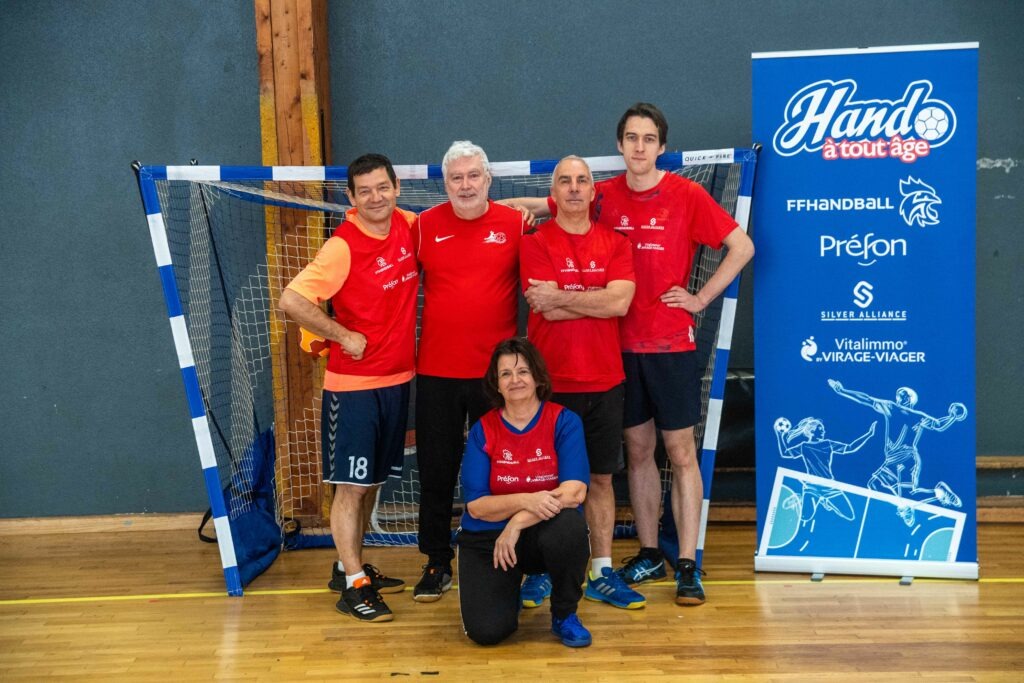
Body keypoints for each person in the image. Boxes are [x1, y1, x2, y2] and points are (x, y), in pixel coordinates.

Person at [503, 103, 755, 605]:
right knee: (638, 454)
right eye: (632, 138)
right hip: (617, 353)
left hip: (669, 345)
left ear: (662, 147)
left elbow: (742, 247)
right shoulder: (603, 196)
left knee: (680, 453)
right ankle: (648, 552)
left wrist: (700, 299)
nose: (640, 147)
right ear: (620, 145)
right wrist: (511, 208)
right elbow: (556, 204)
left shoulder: (687, 194)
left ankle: (688, 563)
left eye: (649, 138)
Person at [278, 153, 416, 623]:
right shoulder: (343, 246)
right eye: (365, 191)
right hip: (354, 388)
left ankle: (347, 568)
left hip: (397, 382)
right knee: (351, 488)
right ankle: (354, 586)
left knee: (371, 482)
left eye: (383, 187)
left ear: (396, 188)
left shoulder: (408, 225)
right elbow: (291, 299)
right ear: (351, 198)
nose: (376, 197)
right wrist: (342, 335)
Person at [518, 156, 642, 610]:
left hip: (605, 379)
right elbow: (544, 308)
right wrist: (595, 298)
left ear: (593, 191)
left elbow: (620, 305)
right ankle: (539, 570)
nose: (573, 188)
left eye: (582, 181)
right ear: (553, 193)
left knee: (600, 479)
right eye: (564, 181)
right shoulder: (534, 241)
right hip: (550, 383)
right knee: (544, 480)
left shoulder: (616, 242)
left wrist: (563, 296)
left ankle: (601, 572)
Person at [410, 141, 526, 602]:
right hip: (436, 373)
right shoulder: (423, 226)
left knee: (498, 472)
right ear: (445, 183)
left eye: (473, 175)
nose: (465, 185)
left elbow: (563, 209)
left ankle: (494, 556)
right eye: (456, 178)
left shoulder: (515, 223)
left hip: (495, 378)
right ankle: (437, 561)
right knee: (437, 470)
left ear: (488, 179)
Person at [457, 338, 592, 648]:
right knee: (488, 633)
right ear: (497, 384)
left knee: (570, 526)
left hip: (537, 531)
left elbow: (574, 493)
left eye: (523, 371)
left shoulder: (564, 421)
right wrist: (527, 500)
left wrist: (517, 522)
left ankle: (564, 615)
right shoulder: (483, 430)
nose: (515, 380)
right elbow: (477, 507)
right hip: (490, 537)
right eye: (505, 374)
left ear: (538, 378)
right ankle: (506, 594)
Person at [828, 379, 967, 526]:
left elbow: (938, 425)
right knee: (874, 485)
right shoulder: (890, 407)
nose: (899, 397)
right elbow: (866, 399)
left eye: (902, 395)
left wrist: (953, 417)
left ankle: (937, 494)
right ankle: (909, 505)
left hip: (907, 457)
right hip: (891, 459)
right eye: (898, 395)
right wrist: (842, 391)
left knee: (907, 494)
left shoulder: (915, 415)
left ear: (910, 399)